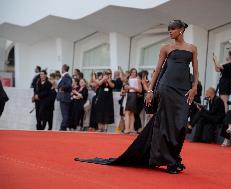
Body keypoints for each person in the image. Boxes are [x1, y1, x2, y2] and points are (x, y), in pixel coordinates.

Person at [75, 20, 199, 174]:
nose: (170, 32)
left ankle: (172, 156)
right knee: (166, 123)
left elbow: (196, 71)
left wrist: (194, 88)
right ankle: (170, 160)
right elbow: (158, 70)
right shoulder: (166, 48)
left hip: (183, 91)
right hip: (166, 88)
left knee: (180, 125)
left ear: (181, 30)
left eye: (172, 29)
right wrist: (150, 91)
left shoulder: (192, 49)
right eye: (169, 30)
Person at [124, 68, 142, 134]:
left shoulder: (138, 80)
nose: (133, 73)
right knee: (131, 113)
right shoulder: (128, 80)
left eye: (135, 72)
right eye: (132, 72)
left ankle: (127, 129)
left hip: (133, 95)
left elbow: (140, 90)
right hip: (128, 95)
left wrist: (131, 87)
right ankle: (131, 128)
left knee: (127, 112)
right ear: (130, 73)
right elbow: (125, 90)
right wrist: (126, 88)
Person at [57, 64, 72, 131]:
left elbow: (68, 85)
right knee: (65, 114)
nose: (61, 69)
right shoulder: (65, 76)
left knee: (65, 114)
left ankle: (62, 128)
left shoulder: (67, 76)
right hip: (63, 98)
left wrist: (61, 88)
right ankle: (64, 128)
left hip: (64, 98)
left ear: (64, 68)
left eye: (62, 68)